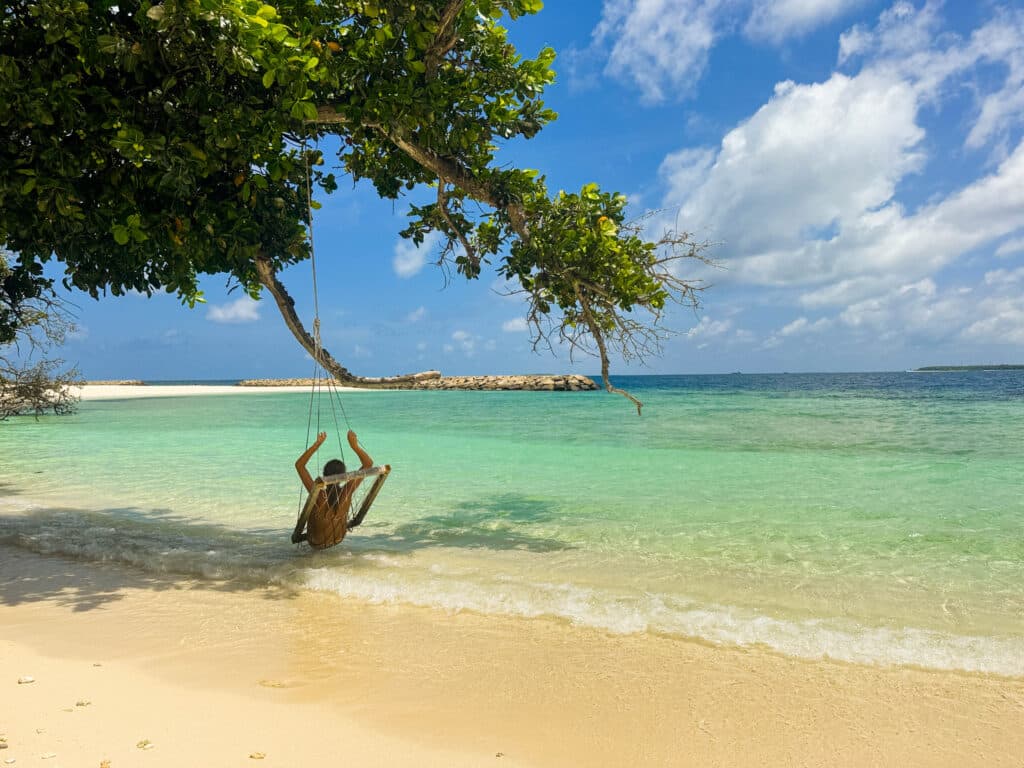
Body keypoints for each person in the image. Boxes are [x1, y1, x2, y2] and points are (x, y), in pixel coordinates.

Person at [294, 429, 375, 549]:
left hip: (316, 541)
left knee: (315, 507)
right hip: (338, 538)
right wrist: (354, 446)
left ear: (324, 475)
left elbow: (299, 466)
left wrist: (316, 445)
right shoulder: (347, 491)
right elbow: (368, 464)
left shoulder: (319, 495)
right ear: (343, 476)